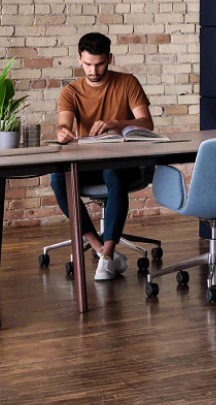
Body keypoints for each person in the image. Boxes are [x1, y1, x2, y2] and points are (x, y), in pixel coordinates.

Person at [52, 31, 154, 281]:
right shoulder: (71, 91)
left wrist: (114, 123)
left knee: (114, 173)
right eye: (87, 64)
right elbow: (62, 126)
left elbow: (147, 123)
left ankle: (107, 253)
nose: (93, 70)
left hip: (121, 161)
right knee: (58, 178)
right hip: (87, 161)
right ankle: (100, 249)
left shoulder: (127, 82)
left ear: (109, 58)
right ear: (79, 59)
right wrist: (63, 132)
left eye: (99, 64)